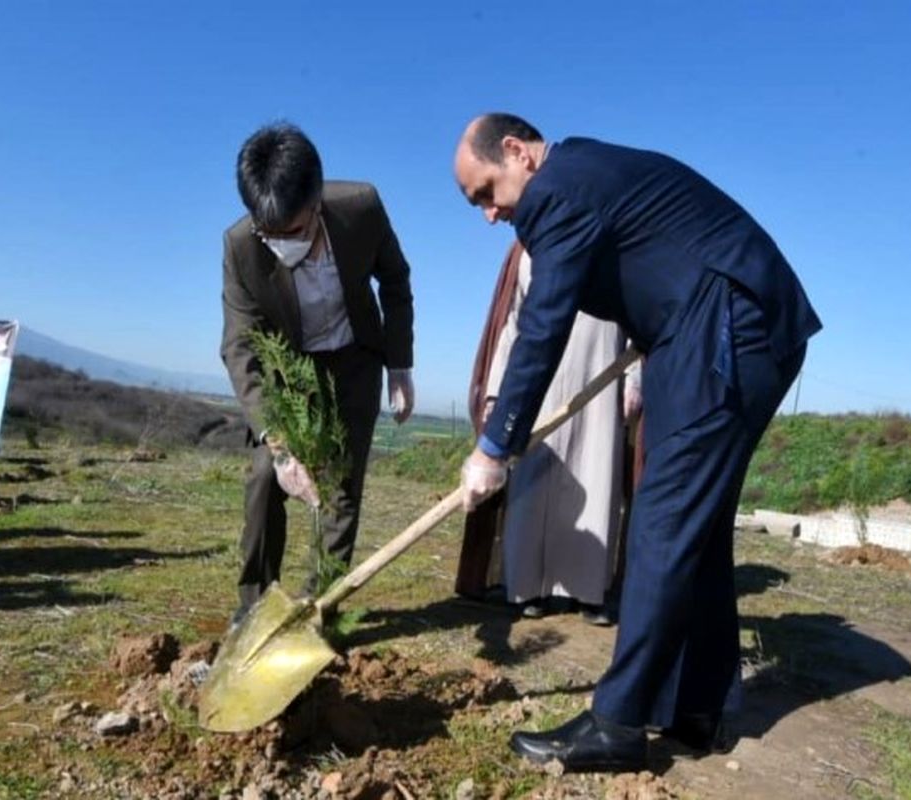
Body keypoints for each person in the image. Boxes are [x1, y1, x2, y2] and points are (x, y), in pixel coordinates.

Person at [453, 113, 821, 773]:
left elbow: (543, 327)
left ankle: (617, 725)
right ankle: (697, 709)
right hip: (723, 321)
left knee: (661, 519)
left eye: (485, 191)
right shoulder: (582, 170)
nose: (487, 213)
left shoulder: (558, 190)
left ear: (517, 152)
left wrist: (494, 448)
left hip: (725, 326)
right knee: (694, 530)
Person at [221, 123, 415, 627]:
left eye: (295, 231)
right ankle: (254, 608)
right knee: (266, 476)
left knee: (340, 486)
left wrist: (399, 363)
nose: (282, 244)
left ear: (316, 204)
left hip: (354, 360)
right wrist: (282, 448)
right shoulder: (241, 246)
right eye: (271, 234)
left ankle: (318, 609)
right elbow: (240, 346)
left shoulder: (360, 208)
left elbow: (394, 279)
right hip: (289, 370)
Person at [489, 246, 641, 622]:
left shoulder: (619, 247)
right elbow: (511, 323)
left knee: (595, 474)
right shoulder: (527, 252)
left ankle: (588, 591)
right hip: (538, 379)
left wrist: (635, 378)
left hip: (601, 375)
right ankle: (528, 588)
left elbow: (639, 320)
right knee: (532, 480)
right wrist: (497, 391)